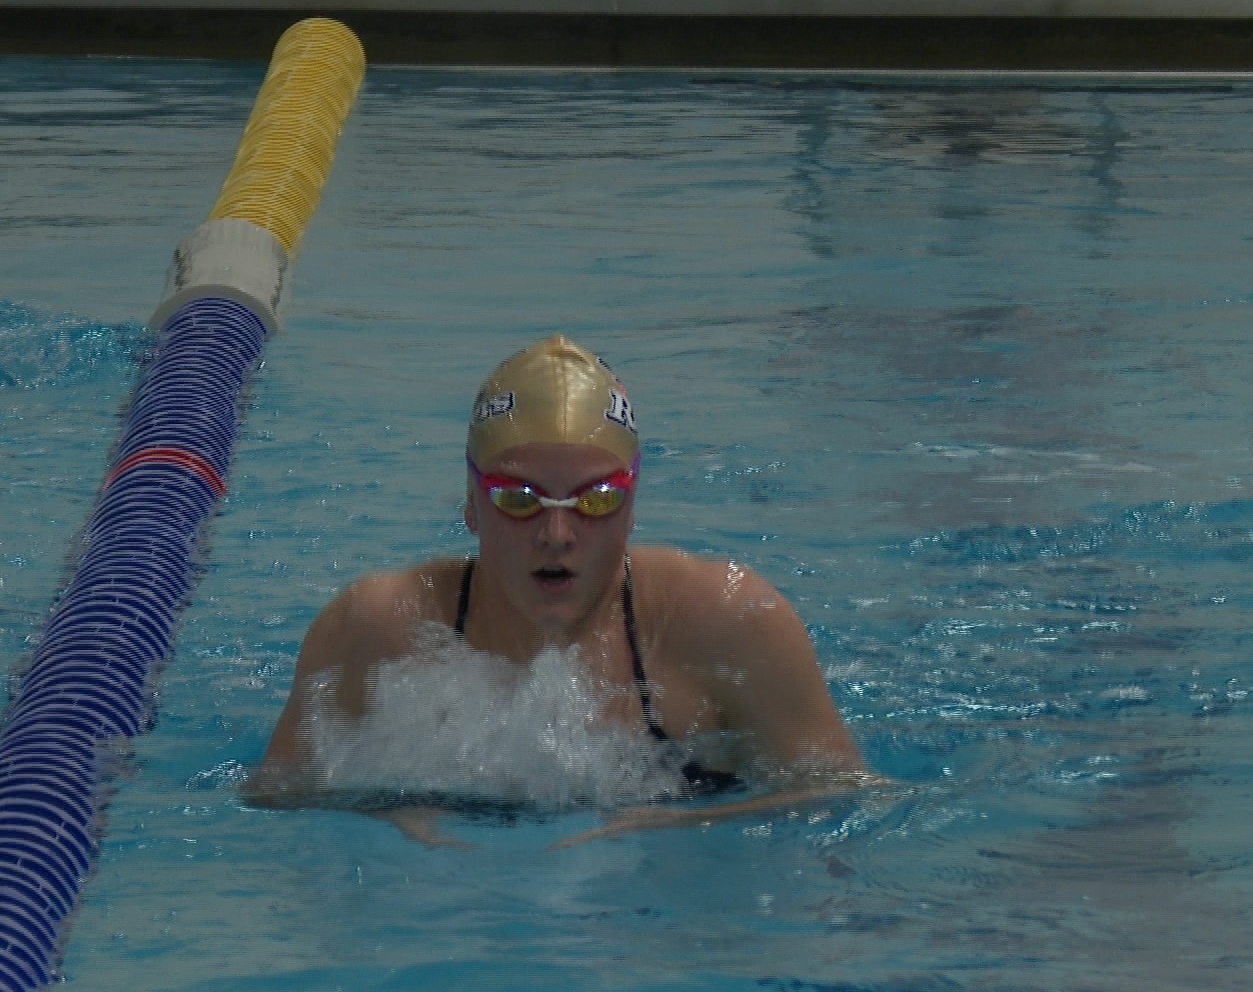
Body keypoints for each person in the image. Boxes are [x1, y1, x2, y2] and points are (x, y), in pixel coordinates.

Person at [245, 336, 870, 848]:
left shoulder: (724, 622)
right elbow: (276, 797)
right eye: (517, 499)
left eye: (597, 499)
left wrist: (685, 824)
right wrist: (379, 818)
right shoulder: (375, 628)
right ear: (470, 501)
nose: (556, 533)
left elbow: (844, 794)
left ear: (632, 504)